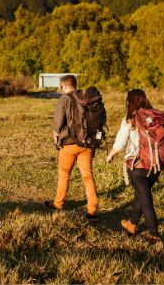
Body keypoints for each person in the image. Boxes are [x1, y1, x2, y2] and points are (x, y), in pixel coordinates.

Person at [105, 88, 164, 247]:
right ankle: (132, 224)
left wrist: (111, 154)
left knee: (145, 200)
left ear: (129, 102)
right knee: (141, 195)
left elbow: (120, 143)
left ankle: (154, 235)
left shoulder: (130, 119)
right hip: (156, 164)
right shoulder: (154, 116)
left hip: (138, 166)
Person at [43, 74, 99, 220]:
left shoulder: (63, 99)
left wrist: (55, 135)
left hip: (68, 144)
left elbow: (58, 123)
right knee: (87, 177)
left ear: (65, 85)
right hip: (86, 144)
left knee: (64, 174)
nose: (61, 89)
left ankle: (58, 203)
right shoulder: (85, 98)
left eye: (61, 86)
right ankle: (92, 211)